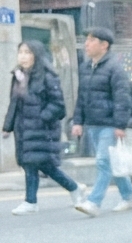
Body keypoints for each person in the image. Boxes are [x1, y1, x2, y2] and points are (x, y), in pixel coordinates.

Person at [2, 40, 86, 215]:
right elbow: (14, 104)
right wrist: (7, 126)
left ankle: (31, 201)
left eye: (28, 53)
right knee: (36, 164)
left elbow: (58, 106)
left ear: (36, 55)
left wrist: (41, 118)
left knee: (35, 164)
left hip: (42, 129)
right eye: (21, 52)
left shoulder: (47, 76)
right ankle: (74, 188)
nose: (23, 57)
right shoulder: (19, 76)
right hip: (23, 129)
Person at [71, 28, 132, 216]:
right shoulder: (85, 67)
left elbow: (122, 98)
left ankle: (93, 202)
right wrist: (78, 122)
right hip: (93, 123)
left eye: (91, 40)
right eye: (87, 40)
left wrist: (120, 125)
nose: (86, 44)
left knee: (103, 161)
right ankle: (129, 197)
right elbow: (81, 97)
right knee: (111, 162)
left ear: (104, 45)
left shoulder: (115, 68)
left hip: (110, 124)